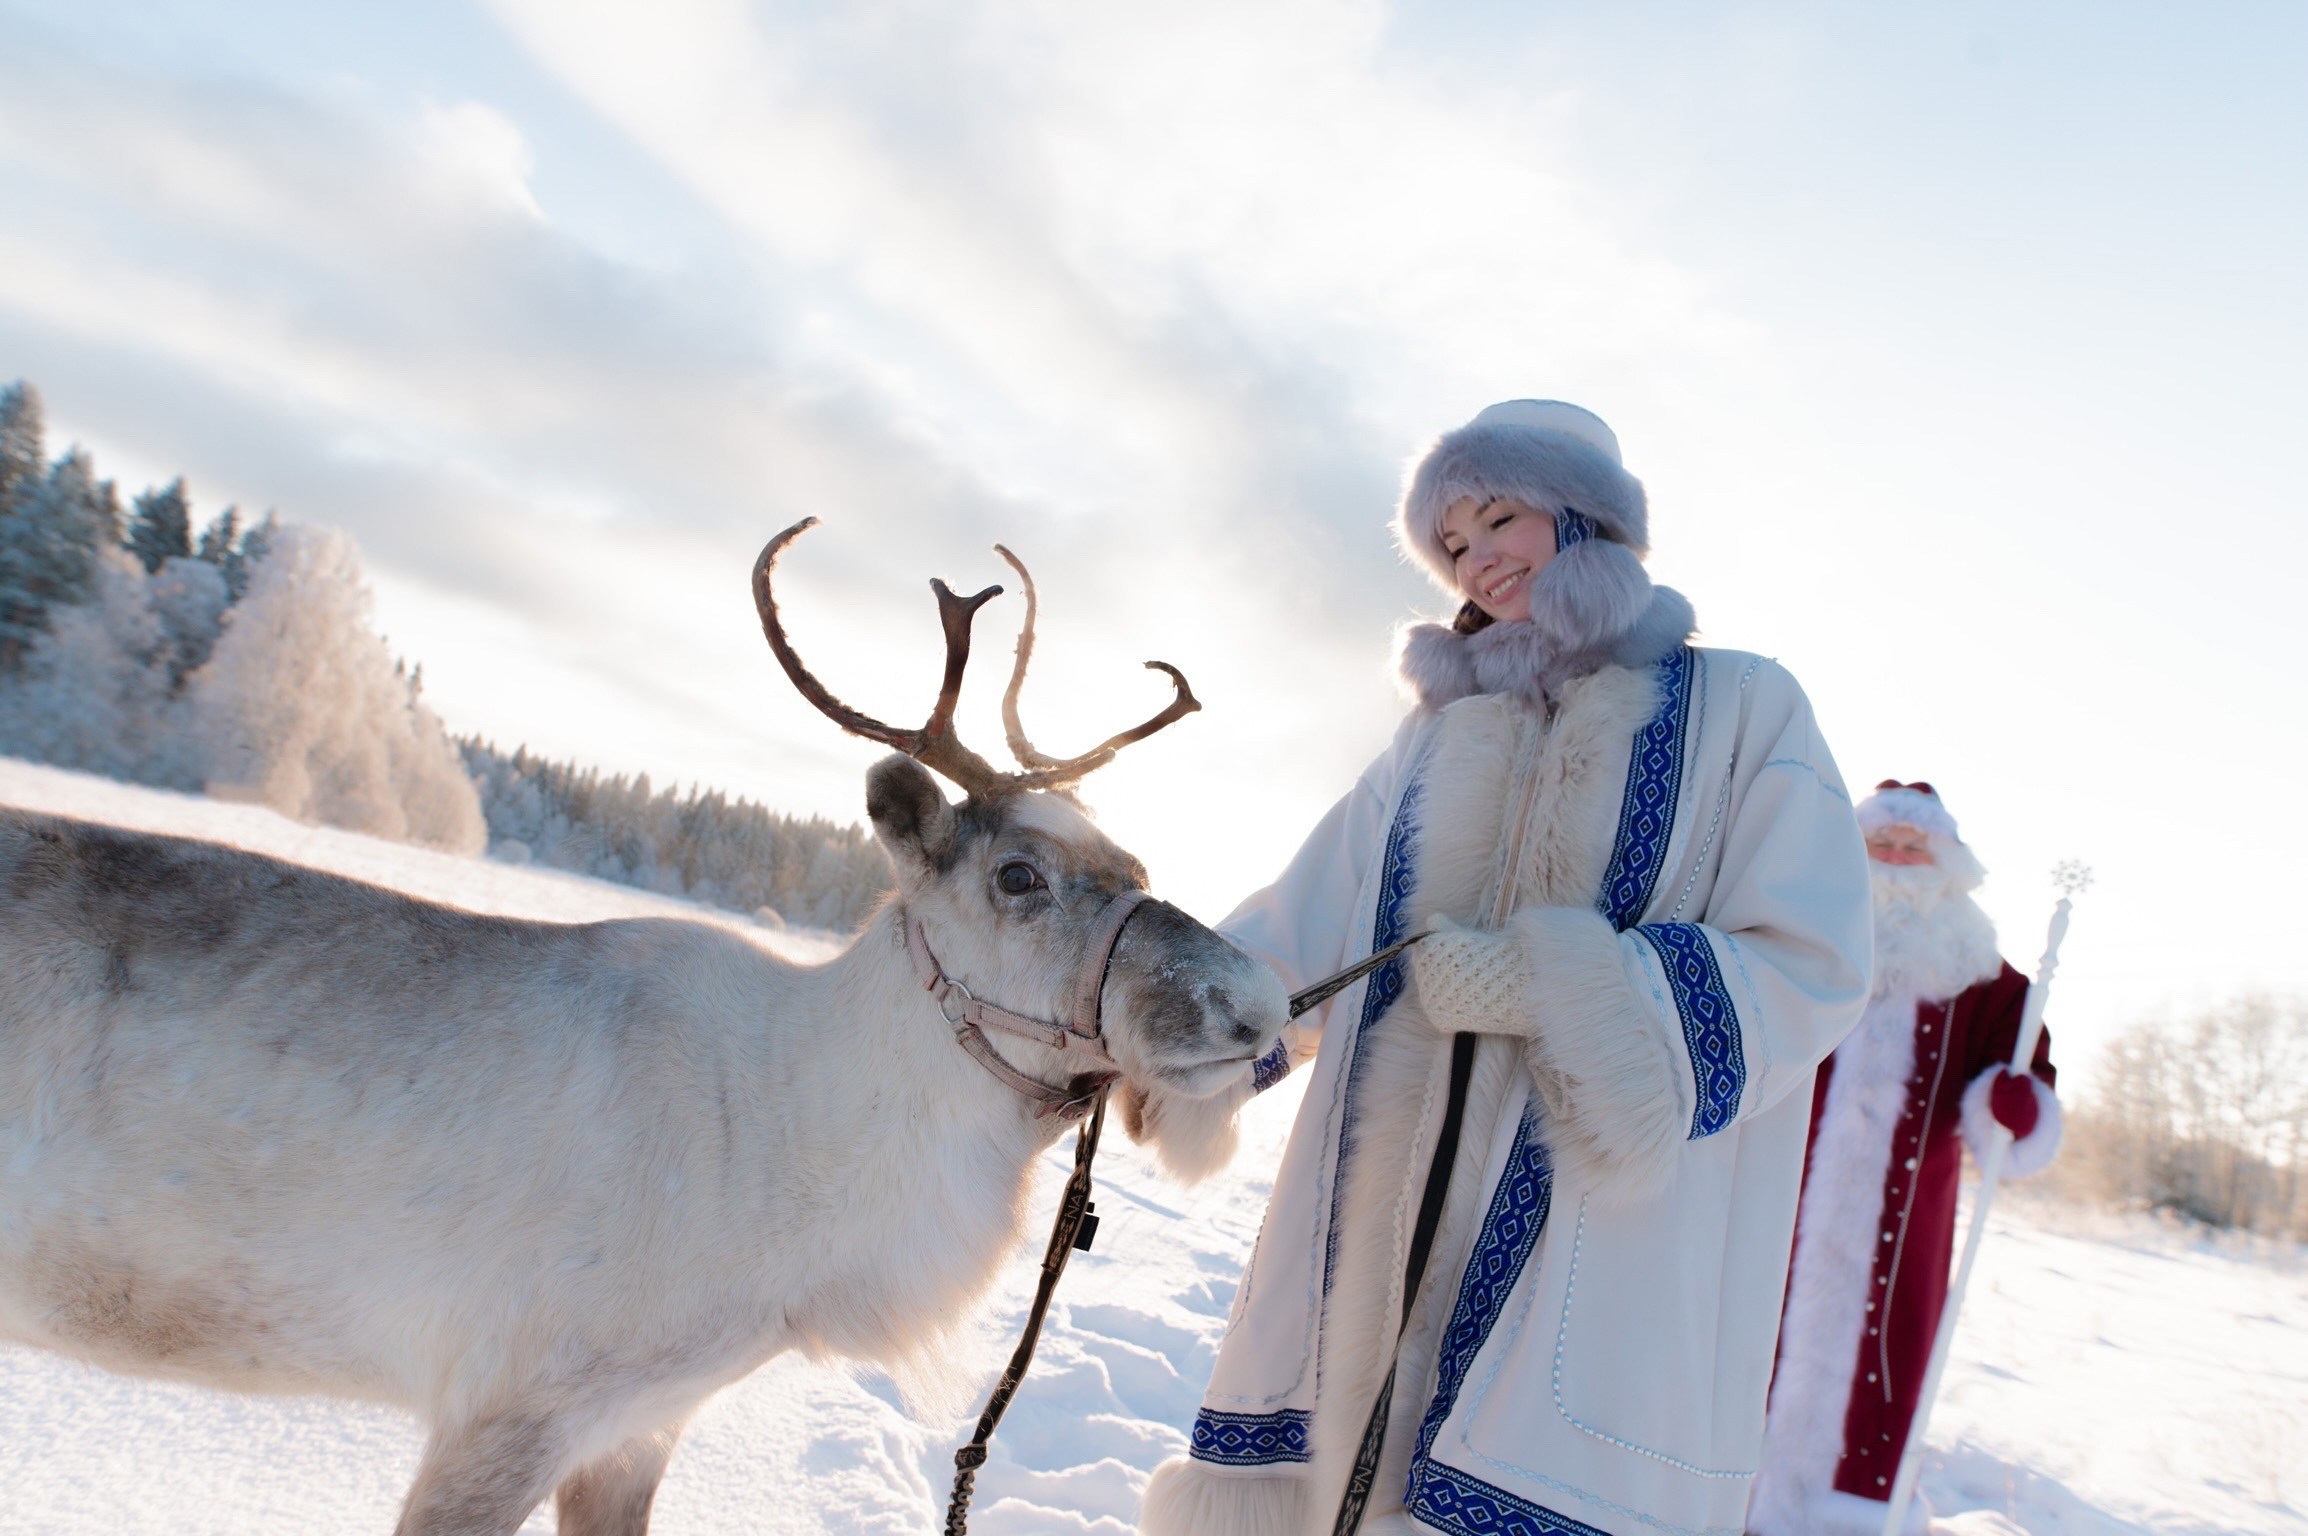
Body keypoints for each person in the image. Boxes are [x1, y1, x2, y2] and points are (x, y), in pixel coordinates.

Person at [1138, 400, 1874, 1536]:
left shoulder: (1743, 706)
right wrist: (1169, 1020)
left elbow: (1813, 956)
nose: (1477, 558)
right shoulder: (1432, 738)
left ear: (1585, 519)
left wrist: (1560, 987)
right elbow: (1305, 922)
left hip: (1595, 1248)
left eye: (1499, 519)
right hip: (1379, 1225)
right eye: (1453, 545)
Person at [1746, 781, 2061, 1536]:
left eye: (1913, 848)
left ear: (1946, 863)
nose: (1895, 858)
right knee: (1748, 1344)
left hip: (1904, 1225)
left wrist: (2010, 1105)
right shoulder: (1803, 943)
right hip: (1771, 1202)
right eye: (1880, 844)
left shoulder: (1990, 982)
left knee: (1878, 1369)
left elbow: (2018, 1108)